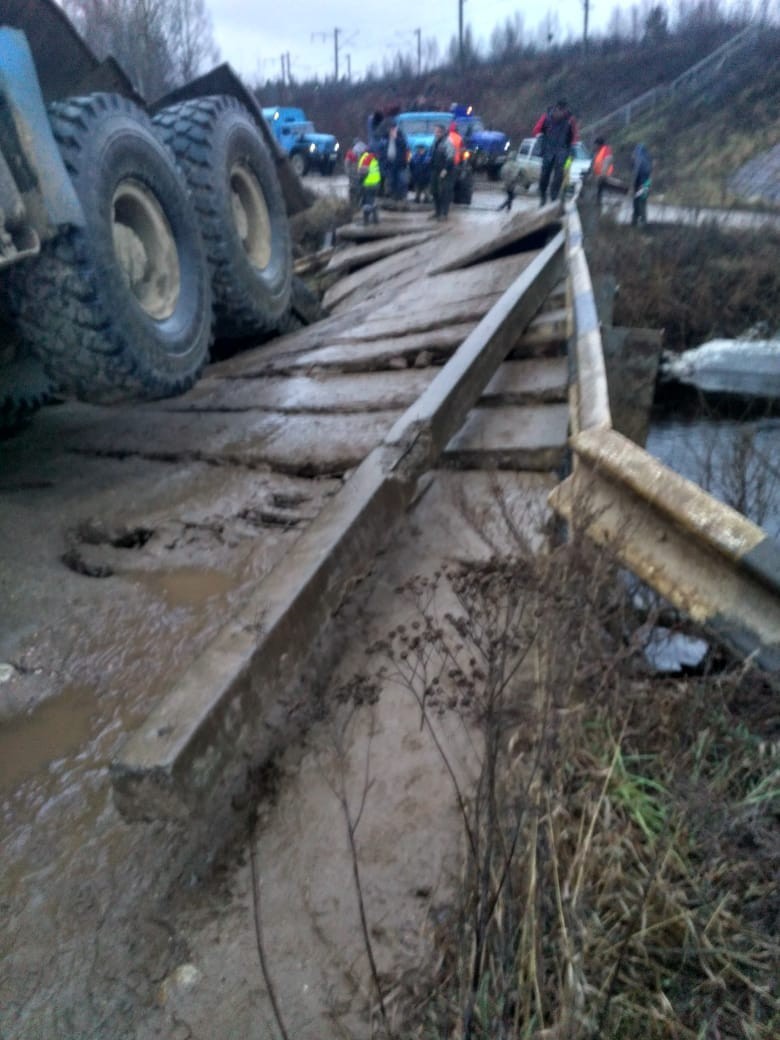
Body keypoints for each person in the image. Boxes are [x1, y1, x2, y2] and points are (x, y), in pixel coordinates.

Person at [532, 98, 578, 206]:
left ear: (566, 110)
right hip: (548, 149)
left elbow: (574, 137)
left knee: (559, 176)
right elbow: (536, 130)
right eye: (559, 109)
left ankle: (553, 198)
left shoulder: (570, 120)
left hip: (562, 151)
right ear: (555, 108)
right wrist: (541, 140)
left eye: (563, 110)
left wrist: (571, 151)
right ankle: (543, 196)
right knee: (544, 175)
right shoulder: (546, 117)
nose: (561, 112)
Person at [430, 123, 455, 220]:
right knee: (434, 191)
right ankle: (437, 212)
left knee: (444, 192)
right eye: (435, 131)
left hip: (445, 170)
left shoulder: (447, 142)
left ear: (442, 132)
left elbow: (450, 157)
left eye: (438, 132)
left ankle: (444, 214)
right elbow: (432, 155)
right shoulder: (435, 142)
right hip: (435, 170)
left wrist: (445, 169)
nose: (436, 133)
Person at [380, 119, 408, 201]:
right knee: (391, 181)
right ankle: (393, 196)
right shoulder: (385, 138)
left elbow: (404, 146)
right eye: (390, 129)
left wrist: (396, 138)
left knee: (401, 181)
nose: (392, 131)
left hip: (399, 163)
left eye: (393, 128)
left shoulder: (401, 136)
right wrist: (383, 160)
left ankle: (401, 197)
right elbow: (381, 149)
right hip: (389, 163)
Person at [358, 149, 381, 225]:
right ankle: (375, 219)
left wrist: (360, 183)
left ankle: (366, 221)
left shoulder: (366, 158)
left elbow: (363, 173)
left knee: (367, 202)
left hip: (368, 184)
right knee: (373, 201)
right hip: (376, 183)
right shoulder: (375, 158)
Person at [631, 143, 653, 226]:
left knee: (637, 202)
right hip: (646, 183)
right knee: (643, 202)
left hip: (640, 184)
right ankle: (643, 221)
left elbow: (636, 172)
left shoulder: (639, 159)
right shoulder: (647, 159)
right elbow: (649, 172)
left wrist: (633, 184)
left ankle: (636, 221)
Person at [592, 136, 615, 209]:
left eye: (595, 145)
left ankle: (600, 206)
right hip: (599, 176)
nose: (594, 146)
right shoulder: (598, 152)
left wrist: (602, 174)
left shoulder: (606, 151)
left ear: (599, 144)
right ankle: (598, 204)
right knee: (598, 192)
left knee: (600, 192)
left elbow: (606, 163)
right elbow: (595, 165)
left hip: (604, 176)